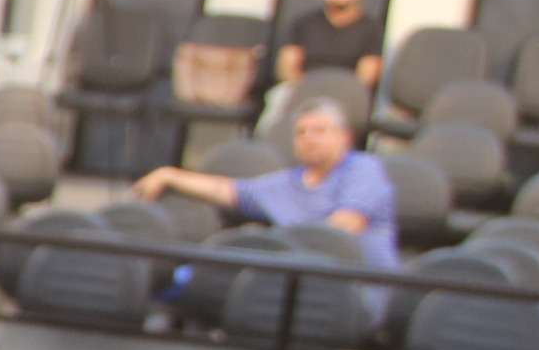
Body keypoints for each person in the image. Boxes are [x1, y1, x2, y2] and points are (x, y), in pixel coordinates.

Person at [139, 98, 398, 268]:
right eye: (301, 133)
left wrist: (273, 245)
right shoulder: (288, 183)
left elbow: (342, 230)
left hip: (353, 283)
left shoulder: (363, 169)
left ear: (344, 137)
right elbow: (227, 190)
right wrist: (169, 174)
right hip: (293, 278)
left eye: (319, 130)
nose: (309, 138)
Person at [268, 0, 384, 98]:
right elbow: (286, 69)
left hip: (344, 97)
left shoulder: (372, 31)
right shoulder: (304, 23)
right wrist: (308, 91)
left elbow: (365, 79)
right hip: (301, 91)